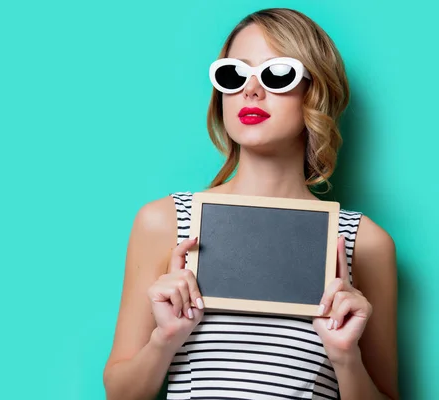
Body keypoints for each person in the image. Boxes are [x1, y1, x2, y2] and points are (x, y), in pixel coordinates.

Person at [102, 7, 398, 400]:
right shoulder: (166, 222)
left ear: (316, 90)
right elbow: (119, 393)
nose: (251, 90)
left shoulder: (364, 242)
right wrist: (165, 339)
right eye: (233, 74)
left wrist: (345, 357)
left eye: (278, 74)